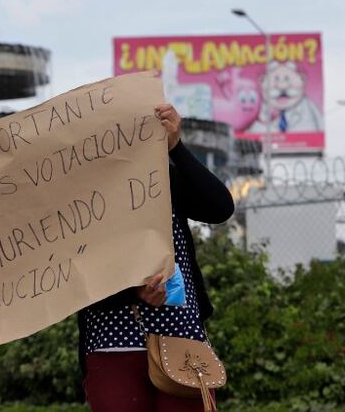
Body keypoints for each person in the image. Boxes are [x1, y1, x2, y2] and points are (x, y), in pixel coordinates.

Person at [78, 104, 235, 412]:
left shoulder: (164, 179)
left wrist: (176, 147)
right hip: (113, 339)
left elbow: (220, 207)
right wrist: (133, 292)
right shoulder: (83, 198)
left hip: (180, 334)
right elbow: (72, 274)